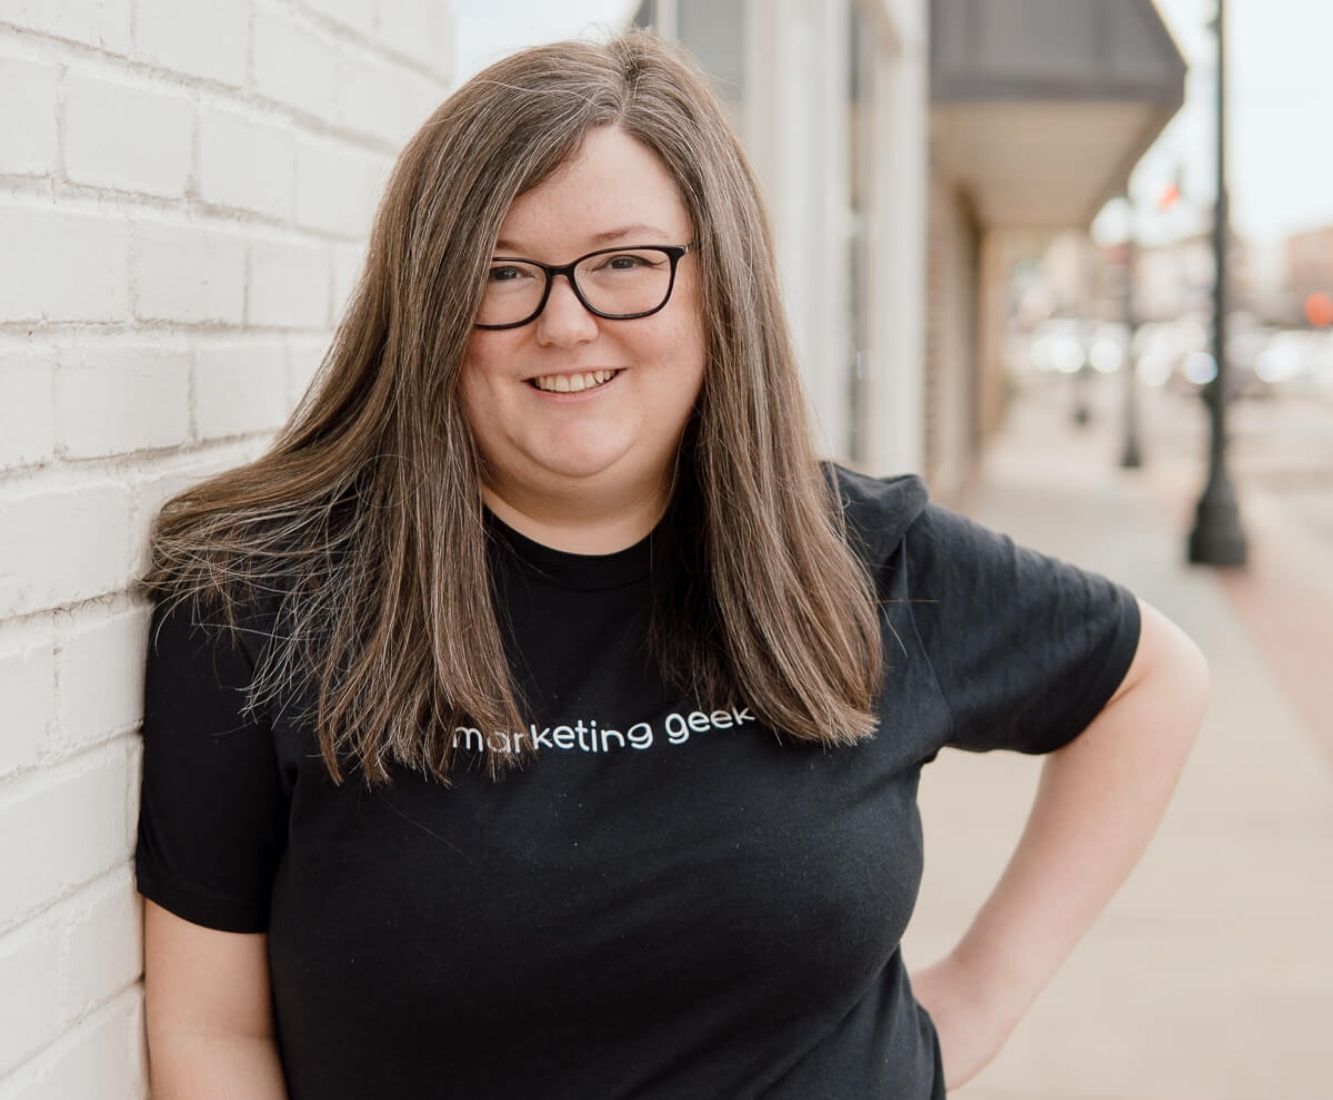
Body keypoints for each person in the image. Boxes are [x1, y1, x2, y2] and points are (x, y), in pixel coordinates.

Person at [133, 30, 1208, 1100]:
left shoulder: (863, 559)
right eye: (500, 271)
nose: (564, 320)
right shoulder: (262, 596)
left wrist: (972, 1000)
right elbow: (211, 1030)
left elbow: (1153, 681)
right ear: (429, 304)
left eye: (625, 263)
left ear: (716, 285)